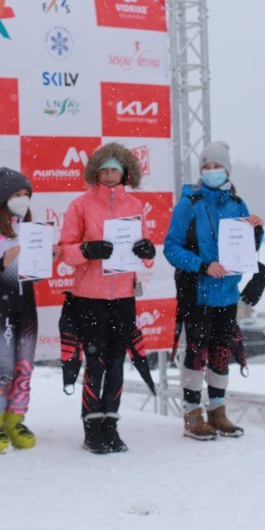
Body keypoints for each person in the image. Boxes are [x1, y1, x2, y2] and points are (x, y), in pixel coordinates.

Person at [58, 143, 155, 454]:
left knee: (116, 363)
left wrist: (148, 250)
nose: (110, 175)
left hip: (124, 296)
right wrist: (87, 250)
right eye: (105, 169)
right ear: (95, 172)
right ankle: (91, 426)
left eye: (115, 169)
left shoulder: (135, 205)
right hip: (89, 297)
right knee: (95, 363)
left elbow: (145, 254)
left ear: (125, 172)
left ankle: (111, 424)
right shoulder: (80, 205)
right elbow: (65, 252)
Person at [163, 141, 263, 441]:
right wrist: (202, 265)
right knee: (196, 352)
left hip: (227, 293)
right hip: (197, 292)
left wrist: (256, 231)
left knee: (221, 352)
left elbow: (247, 251)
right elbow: (171, 247)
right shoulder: (189, 204)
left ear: (227, 170)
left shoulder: (238, 204)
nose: (211, 171)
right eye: (206, 166)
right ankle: (192, 413)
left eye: (216, 166)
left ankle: (218, 411)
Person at [0, 167, 56, 453]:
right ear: (4, 199)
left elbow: (35, 276)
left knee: (25, 368)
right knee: (5, 368)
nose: (22, 199)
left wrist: (49, 258)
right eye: (16, 194)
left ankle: (14, 420)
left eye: (26, 194)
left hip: (27, 308)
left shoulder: (33, 230)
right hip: (1, 309)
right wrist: (3, 262)